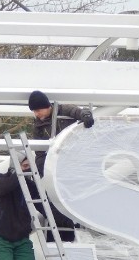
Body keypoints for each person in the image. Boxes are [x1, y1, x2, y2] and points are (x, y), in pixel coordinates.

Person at [24, 90, 95, 243]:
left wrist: (87, 117)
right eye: (34, 112)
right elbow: (40, 152)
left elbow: (79, 112)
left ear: (46, 106)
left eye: (38, 110)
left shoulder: (63, 110)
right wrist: (43, 171)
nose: (36, 114)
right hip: (57, 168)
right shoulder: (39, 126)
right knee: (59, 202)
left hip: (75, 162)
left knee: (75, 199)